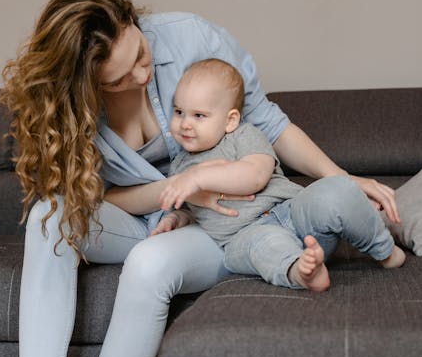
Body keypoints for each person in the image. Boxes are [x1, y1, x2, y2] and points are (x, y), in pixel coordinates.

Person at [0, 0, 401, 357]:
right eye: (117, 80)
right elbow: (92, 199)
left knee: (150, 263)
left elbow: (268, 125)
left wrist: (343, 178)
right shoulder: (66, 111)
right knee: (49, 217)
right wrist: (181, 189)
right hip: (147, 216)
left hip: (216, 228)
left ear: (132, 20)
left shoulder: (188, 38)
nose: (141, 77)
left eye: (140, 54)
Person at [156, 59, 405, 291]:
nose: (185, 123)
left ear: (230, 120)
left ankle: (384, 250)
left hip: (292, 211)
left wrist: (199, 177)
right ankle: (302, 271)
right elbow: (195, 210)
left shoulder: (243, 136)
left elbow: (255, 176)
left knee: (336, 188)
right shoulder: (180, 167)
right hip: (244, 234)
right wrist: (177, 218)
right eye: (179, 112)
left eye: (198, 115)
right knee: (263, 247)